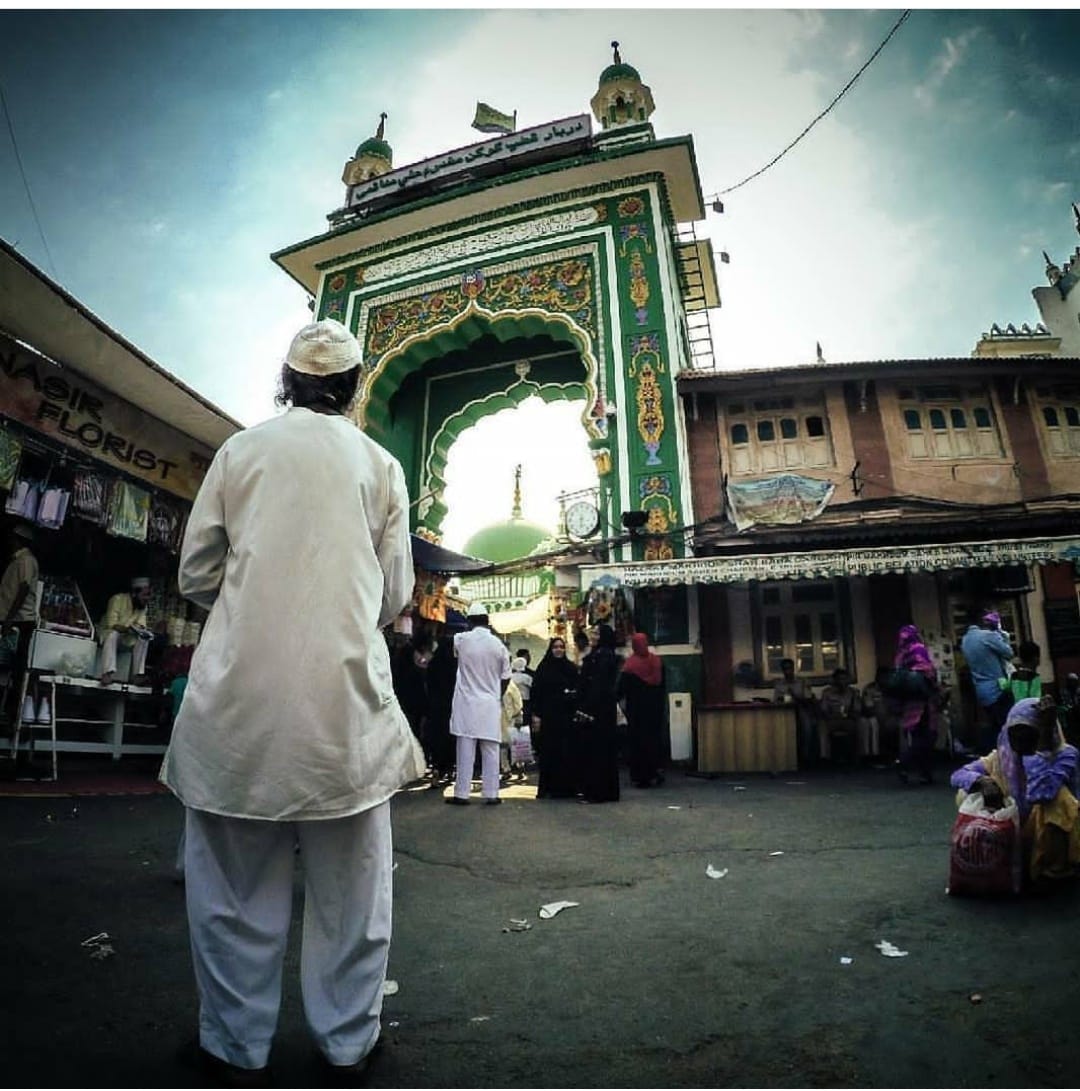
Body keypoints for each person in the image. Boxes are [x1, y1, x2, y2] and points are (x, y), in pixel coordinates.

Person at [159, 318, 424, 1082]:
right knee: (353, 891)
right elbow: (394, 590)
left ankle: (233, 1046)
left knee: (232, 889)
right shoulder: (379, 465)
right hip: (344, 705)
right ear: (352, 386)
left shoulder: (240, 452)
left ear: (287, 382)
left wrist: (258, 599)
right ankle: (348, 1043)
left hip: (238, 701)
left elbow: (197, 572)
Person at [951, 696, 1080, 885]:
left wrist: (1039, 749)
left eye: (1028, 735)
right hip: (1014, 835)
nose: (1019, 742)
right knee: (968, 792)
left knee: (1058, 801)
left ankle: (1052, 869)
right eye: (1014, 734)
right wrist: (982, 781)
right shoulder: (1000, 758)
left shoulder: (1065, 754)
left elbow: (1041, 793)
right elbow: (957, 775)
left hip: (1052, 840)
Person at [447, 602, 510, 805]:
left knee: (465, 749)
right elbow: (506, 676)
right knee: (491, 749)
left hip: (466, 702)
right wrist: (497, 694)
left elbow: (454, 650)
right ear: (488, 621)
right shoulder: (499, 645)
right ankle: (491, 793)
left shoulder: (461, 639)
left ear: (470, 621)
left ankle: (462, 793)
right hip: (490, 703)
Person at [575, 622, 621, 803]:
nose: (592, 637)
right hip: (602, 709)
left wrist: (587, 707)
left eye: (596, 634)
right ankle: (605, 791)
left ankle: (597, 793)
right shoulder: (601, 655)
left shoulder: (604, 657)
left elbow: (598, 685)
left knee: (597, 752)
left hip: (598, 710)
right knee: (603, 751)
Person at [531, 636, 580, 799]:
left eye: (561, 647)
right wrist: (536, 716)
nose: (558, 649)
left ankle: (566, 788)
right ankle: (549, 788)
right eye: (555, 647)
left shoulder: (570, 668)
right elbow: (536, 693)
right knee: (549, 752)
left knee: (567, 752)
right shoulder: (543, 669)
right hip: (549, 718)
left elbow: (578, 690)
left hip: (566, 717)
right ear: (550, 649)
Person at [960, 608, 1014, 753]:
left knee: (994, 723)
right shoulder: (987, 636)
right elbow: (1009, 653)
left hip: (981, 689)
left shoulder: (965, 640)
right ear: (982, 620)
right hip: (999, 687)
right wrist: (1000, 634)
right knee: (1006, 725)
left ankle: (993, 756)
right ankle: (1004, 756)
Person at [0, 523, 39, 724]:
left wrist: (9, 619)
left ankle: (13, 716)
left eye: (12, 538)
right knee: (11, 667)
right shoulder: (19, 560)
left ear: (18, 540)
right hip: (15, 620)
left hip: (20, 622)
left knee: (17, 670)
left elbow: (22, 590)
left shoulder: (25, 560)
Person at [617, 632, 666, 788]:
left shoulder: (630, 666)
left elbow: (621, 690)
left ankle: (640, 776)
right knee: (653, 741)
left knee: (638, 743)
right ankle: (655, 771)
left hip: (636, 712)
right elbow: (662, 686)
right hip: (655, 711)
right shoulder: (657, 662)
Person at [893, 624, 939, 785]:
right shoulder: (918, 648)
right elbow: (927, 671)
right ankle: (912, 766)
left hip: (909, 703)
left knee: (915, 736)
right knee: (927, 736)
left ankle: (914, 768)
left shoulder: (901, 653)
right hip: (923, 702)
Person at [98, 576, 153, 686]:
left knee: (144, 638)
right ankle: (107, 673)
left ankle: (137, 675)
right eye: (145, 595)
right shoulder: (117, 600)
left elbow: (141, 625)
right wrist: (129, 628)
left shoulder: (143, 607)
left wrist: (141, 631)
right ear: (134, 594)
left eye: (148, 595)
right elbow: (112, 625)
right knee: (113, 634)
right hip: (109, 637)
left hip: (127, 639)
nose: (147, 598)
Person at [424, 626, 460, 785]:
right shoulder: (455, 666)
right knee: (451, 739)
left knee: (437, 739)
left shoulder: (433, 664)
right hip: (452, 707)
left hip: (435, 708)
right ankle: (450, 769)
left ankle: (437, 770)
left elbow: (428, 684)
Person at [772, 658, 817, 767]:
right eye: (785, 669)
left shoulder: (803, 682)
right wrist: (782, 699)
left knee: (807, 729)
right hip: (785, 711)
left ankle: (805, 758)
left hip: (802, 709)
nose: (787, 671)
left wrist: (795, 696)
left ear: (793, 669)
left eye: (789, 668)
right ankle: (785, 758)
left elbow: (808, 699)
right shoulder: (779, 684)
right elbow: (775, 700)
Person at [817, 667, 862, 764]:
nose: (842, 682)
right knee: (822, 726)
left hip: (848, 720)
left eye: (844, 679)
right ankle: (825, 759)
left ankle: (857, 758)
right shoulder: (827, 693)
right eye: (839, 679)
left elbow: (857, 710)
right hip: (832, 720)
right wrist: (831, 716)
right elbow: (823, 710)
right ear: (835, 680)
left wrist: (850, 715)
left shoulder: (853, 692)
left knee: (860, 724)